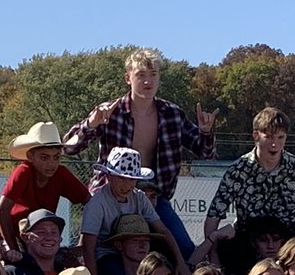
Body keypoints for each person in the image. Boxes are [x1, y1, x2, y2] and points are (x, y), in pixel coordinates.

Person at [63, 48, 217, 260]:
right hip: (110, 195)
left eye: (153, 75)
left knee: (184, 248)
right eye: (141, 75)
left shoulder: (172, 114)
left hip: (153, 198)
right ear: (128, 78)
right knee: (94, 250)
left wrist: (206, 132)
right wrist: (91, 124)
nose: (148, 81)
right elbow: (69, 148)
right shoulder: (110, 111)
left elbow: (205, 153)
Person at [203, 107, 295, 249]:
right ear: (256, 135)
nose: (274, 144)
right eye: (269, 137)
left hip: (289, 253)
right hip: (248, 251)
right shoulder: (237, 171)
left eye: (280, 137)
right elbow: (213, 217)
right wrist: (214, 258)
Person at [78, 147, 189, 275]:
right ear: (109, 176)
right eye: (122, 178)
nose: (127, 185)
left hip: (137, 251)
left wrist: (180, 262)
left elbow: (163, 231)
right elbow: (89, 248)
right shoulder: (96, 204)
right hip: (106, 254)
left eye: (132, 179)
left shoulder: (140, 198)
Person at [0, 123, 90, 251]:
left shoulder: (61, 173)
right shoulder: (23, 172)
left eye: (56, 157)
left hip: (43, 237)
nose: (51, 164)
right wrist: (14, 249)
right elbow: (1, 212)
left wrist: (82, 242)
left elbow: (90, 202)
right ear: (30, 156)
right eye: (44, 157)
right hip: (14, 236)